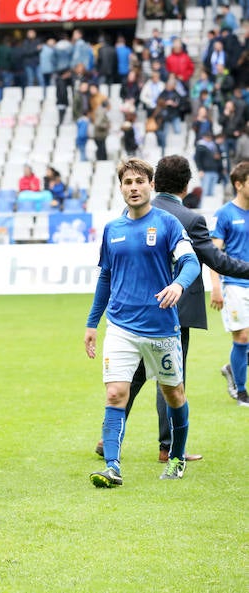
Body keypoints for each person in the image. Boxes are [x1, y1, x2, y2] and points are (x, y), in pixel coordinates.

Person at [94, 155, 249, 461]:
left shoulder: (132, 213)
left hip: (128, 315)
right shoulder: (187, 220)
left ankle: (107, 438)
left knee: (131, 377)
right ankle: (169, 447)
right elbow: (217, 261)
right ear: (186, 184)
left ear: (155, 182)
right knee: (172, 382)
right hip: (174, 311)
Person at [84, 158, 200, 488]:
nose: (133, 187)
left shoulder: (167, 224)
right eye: (127, 182)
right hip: (120, 327)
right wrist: (93, 323)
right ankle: (112, 466)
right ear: (120, 188)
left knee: (173, 394)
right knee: (116, 393)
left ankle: (176, 457)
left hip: (161, 328)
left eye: (139, 181)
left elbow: (190, 262)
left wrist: (178, 284)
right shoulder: (112, 229)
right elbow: (105, 277)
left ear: (151, 185)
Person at [211, 161, 249, 407]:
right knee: (243, 336)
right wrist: (216, 286)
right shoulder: (225, 213)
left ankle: (232, 369)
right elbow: (214, 254)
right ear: (239, 184)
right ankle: (241, 391)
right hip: (234, 284)